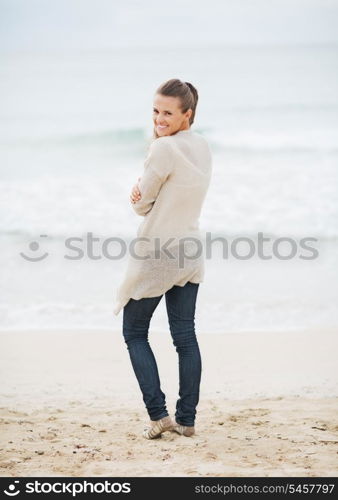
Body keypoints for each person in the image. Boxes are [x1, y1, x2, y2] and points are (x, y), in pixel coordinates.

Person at [113, 78, 212, 439]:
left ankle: (159, 416)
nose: (159, 118)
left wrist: (137, 194)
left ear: (187, 114)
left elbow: (142, 204)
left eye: (168, 113)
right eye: (156, 111)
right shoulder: (202, 146)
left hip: (158, 252)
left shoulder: (163, 149)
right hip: (190, 250)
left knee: (134, 332)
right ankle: (187, 419)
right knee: (185, 336)